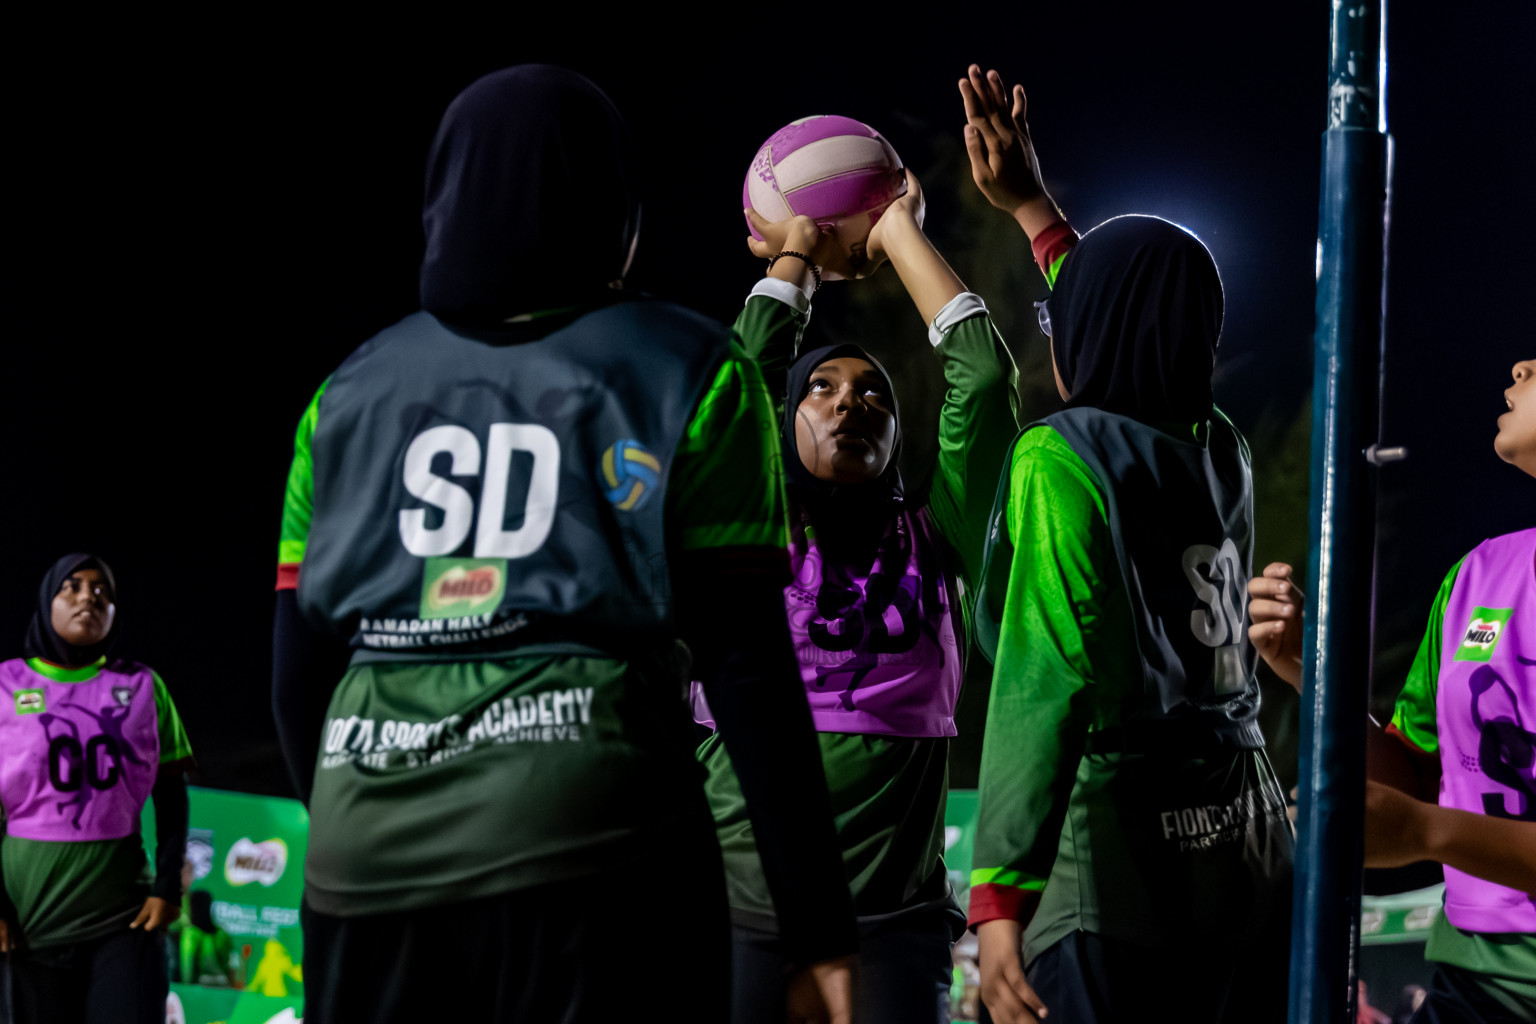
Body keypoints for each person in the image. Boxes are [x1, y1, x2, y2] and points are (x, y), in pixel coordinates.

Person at [270, 65, 857, 1023]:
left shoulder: (343, 396)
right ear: (618, 209)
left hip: (367, 856)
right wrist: (820, 927)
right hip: (598, 839)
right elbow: (747, 668)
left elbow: (297, 677)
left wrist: (368, 812)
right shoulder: (691, 368)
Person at [957, 66, 1295, 1024]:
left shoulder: (1059, 459)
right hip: (1250, 850)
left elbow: (1042, 678)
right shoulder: (1215, 446)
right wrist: (1036, 210)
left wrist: (998, 899)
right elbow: (1136, 315)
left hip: (1120, 870)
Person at [694, 145, 1020, 1022]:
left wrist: (899, 233)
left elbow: (984, 381)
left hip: (891, 928)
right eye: (823, 390)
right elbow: (731, 391)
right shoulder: (741, 524)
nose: (851, 403)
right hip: (733, 911)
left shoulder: (939, 538)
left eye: (875, 394)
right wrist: (796, 253)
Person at [1250, 357, 1536, 1022]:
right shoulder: (1478, 574)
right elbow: (1414, 782)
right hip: (1470, 979)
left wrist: (1426, 830)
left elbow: (1423, 821)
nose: (1521, 365)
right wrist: (1310, 673)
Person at [0, 553, 194, 1024]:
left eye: (102, 591)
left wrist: (168, 886)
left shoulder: (144, 686)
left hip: (123, 919)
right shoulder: (5, 683)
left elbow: (171, 792)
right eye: (73, 587)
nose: (89, 597)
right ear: (48, 601)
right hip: (29, 922)